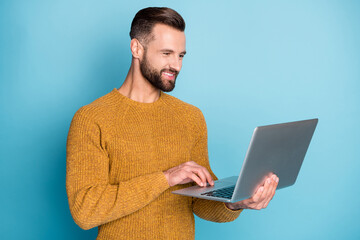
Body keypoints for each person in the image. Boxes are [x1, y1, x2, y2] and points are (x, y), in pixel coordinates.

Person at [66, 7, 279, 239]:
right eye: (166, 54)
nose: (176, 66)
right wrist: (166, 179)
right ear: (136, 48)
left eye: (181, 55)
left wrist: (236, 203)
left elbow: (199, 202)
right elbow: (85, 211)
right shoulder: (92, 118)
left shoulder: (190, 117)